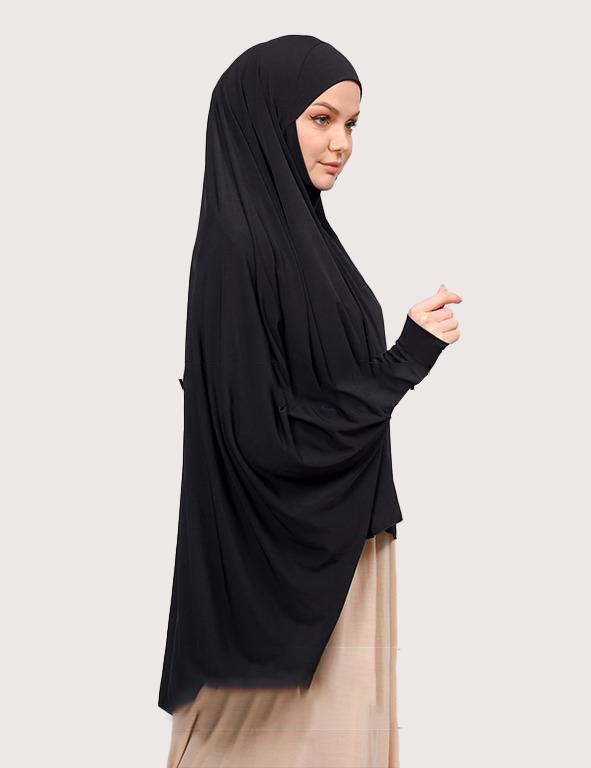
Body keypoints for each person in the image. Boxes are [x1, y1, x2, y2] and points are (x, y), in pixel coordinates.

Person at [159, 34, 461, 768]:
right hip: (284, 567)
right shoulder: (237, 249)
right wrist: (406, 361)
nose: (341, 144)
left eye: (351, 124)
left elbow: (316, 395)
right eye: (320, 119)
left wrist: (404, 352)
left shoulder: (305, 240)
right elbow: (262, 436)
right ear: (266, 118)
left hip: (343, 537)